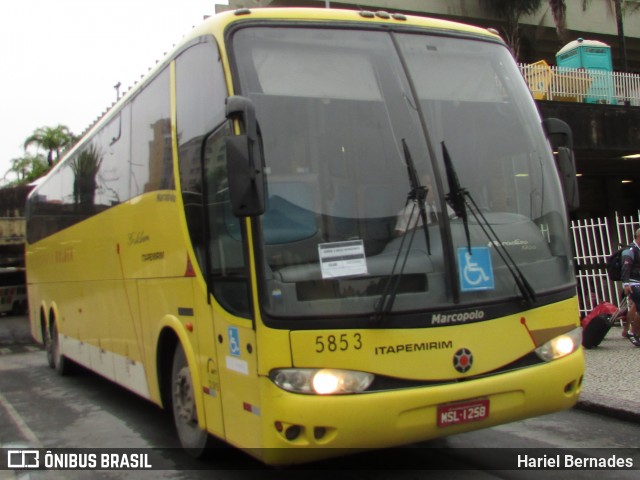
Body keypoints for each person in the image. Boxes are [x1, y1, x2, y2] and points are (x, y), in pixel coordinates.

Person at [620, 228, 640, 346]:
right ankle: (632, 332)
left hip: (638, 282)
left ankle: (631, 331)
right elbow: (625, 267)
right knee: (636, 306)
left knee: (635, 307)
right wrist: (626, 284)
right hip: (633, 283)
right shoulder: (630, 250)